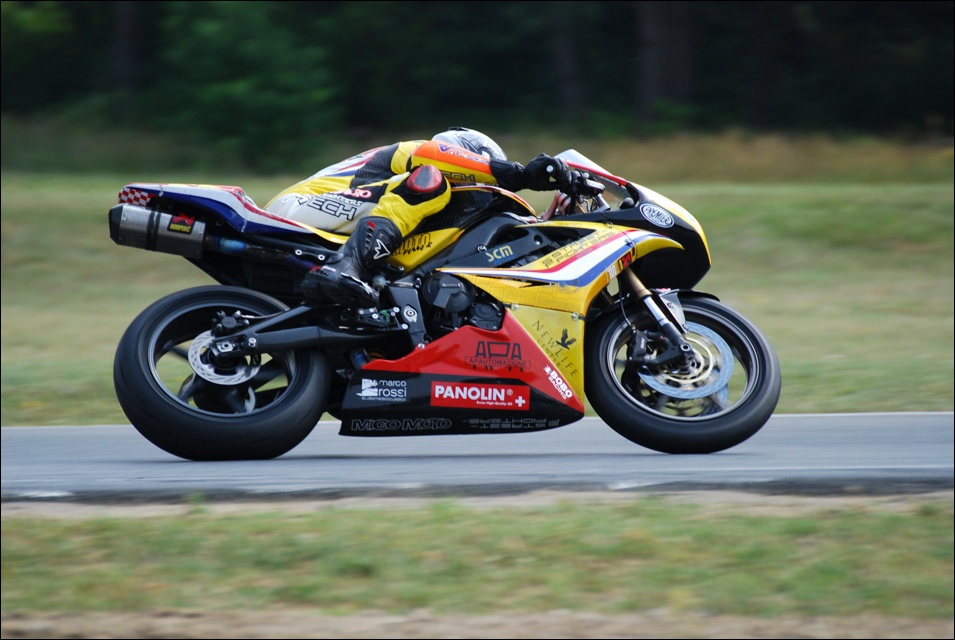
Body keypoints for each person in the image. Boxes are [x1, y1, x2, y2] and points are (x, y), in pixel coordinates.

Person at [265, 127, 571, 308]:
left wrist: (542, 225)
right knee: (432, 181)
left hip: (321, 217)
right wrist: (519, 175)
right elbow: (434, 158)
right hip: (296, 207)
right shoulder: (419, 153)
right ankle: (346, 266)